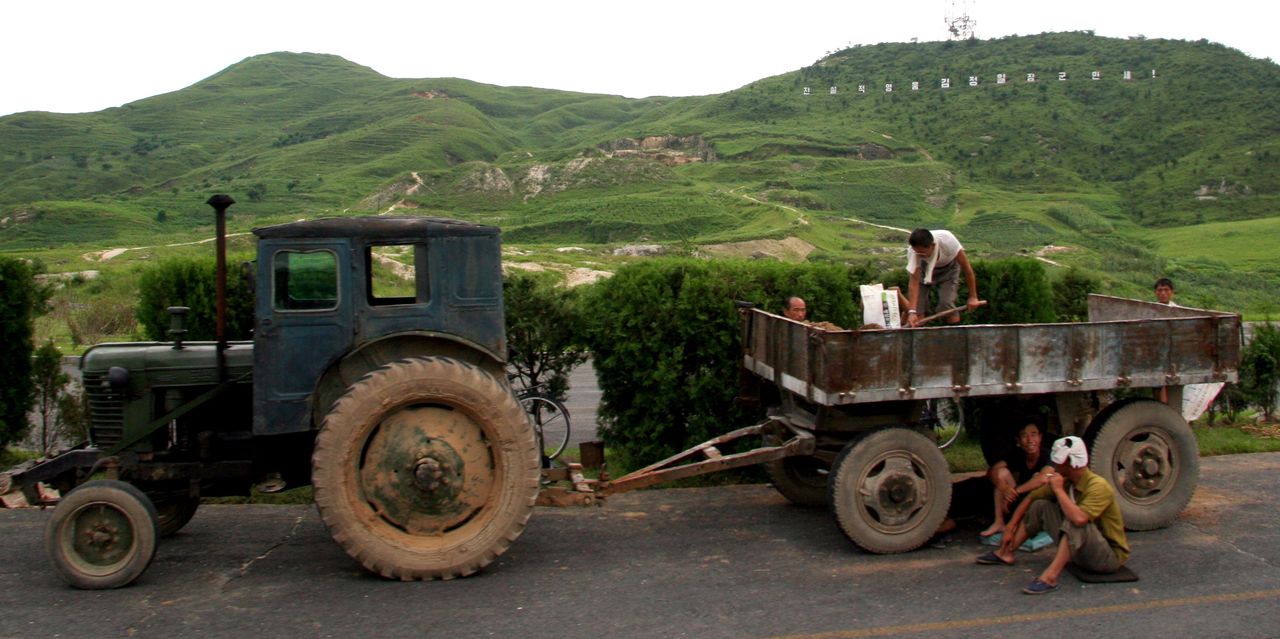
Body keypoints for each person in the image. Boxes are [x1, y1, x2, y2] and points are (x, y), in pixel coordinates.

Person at [975, 436, 1130, 595]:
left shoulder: (1098, 486)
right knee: (1040, 505)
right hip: (1081, 550)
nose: (1054, 465)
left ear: (1070, 462)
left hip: (1107, 558)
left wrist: (1058, 490)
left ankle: (1050, 577)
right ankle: (1006, 552)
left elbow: (1079, 519)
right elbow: (1031, 497)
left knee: (1076, 521)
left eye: (1058, 462)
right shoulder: (1067, 480)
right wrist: (1010, 527)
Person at [978, 422, 1052, 538]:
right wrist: (1004, 487)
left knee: (1038, 477)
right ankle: (999, 522)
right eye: (1024, 436)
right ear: (1018, 440)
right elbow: (992, 470)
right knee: (1001, 473)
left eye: (1033, 435)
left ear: (1040, 437)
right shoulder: (1017, 454)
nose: (1029, 440)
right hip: (1019, 499)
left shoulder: (1048, 455)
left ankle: (1030, 524)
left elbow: (1043, 478)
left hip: (1040, 504)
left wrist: (1016, 491)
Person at [905, 229, 982, 327]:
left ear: (932, 246)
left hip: (949, 269)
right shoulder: (913, 252)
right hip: (924, 270)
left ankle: (955, 337)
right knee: (918, 310)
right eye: (916, 252)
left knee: (946, 304)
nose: (919, 255)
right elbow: (914, 281)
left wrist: (973, 297)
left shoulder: (948, 241)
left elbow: (967, 269)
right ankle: (921, 339)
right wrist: (912, 312)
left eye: (922, 252)